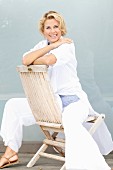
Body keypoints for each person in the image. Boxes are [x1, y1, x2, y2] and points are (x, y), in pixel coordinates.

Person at [0, 10, 113, 170]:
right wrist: (52, 46)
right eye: (48, 27)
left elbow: (48, 60)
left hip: (73, 102)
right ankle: (10, 153)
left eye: (56, 27)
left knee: (71, 123)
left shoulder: (67, 45)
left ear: (61, 29)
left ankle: (91, 167)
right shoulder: (44, 45)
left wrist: (36, 59)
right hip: (52, 103)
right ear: (43, 30)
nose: (53, 31)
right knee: (13, 105)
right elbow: (25, 59)